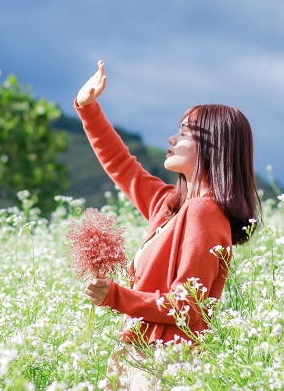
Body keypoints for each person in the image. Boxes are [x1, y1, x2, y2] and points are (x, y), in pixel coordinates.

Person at [75, 60, 259, 389]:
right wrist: (88, 108)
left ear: (214, 145)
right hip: (136, 357)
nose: (172, 138)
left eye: (186, 132)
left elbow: (188, 307)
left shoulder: (204, 213)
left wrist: (116, 297)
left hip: (163, 365)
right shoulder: (169, 206)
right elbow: (121, 165)